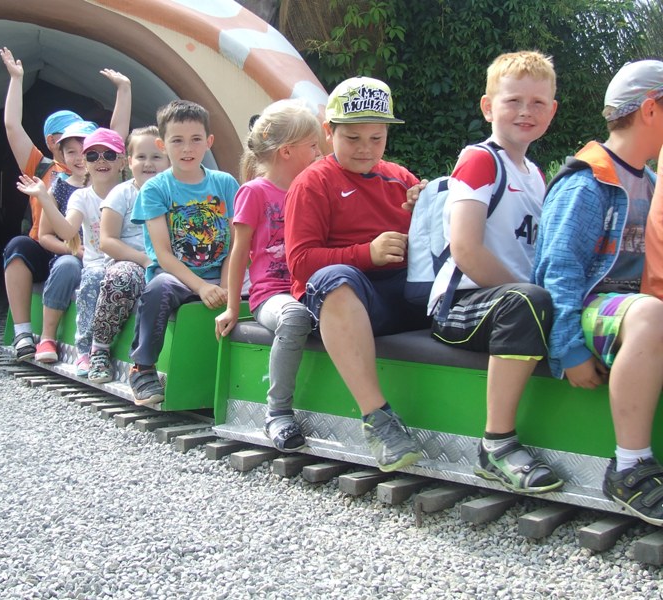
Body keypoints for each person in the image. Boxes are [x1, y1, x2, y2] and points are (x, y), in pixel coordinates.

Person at [534, 59, 663, 526]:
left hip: (634, 310)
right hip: (593, 310)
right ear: (650, 109)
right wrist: (568, 348)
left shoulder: (650, 182)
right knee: (650, 315)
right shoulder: (588, 181)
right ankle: (629, 467)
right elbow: (559, 271)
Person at [428, 51, 561, 493]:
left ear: (552, 112)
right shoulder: (480, 160)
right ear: (488, 107)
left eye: (538, 103)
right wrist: (531, 298)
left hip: (512, 302)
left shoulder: (536, 174)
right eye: (513, 101)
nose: (526, 111)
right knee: (530, 301)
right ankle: (497, 445)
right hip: (460, 305)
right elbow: (466, 250)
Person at [284, 76, 430, 472]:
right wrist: (369, 253)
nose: (365, 148)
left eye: (376, 138)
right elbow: (300, 264)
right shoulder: (312, 183)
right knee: (334, 279)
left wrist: (429, 207)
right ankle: (378, 419)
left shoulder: (401, 178)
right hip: (343, 301)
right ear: (328, 132)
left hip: (401, 295)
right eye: (352, 138)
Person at [0, 46, 131, 361]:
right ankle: (24, 333)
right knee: (18, 247)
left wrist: (124, 91)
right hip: (53, 246)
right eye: (71, 149)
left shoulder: (105, 172)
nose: (84, 157)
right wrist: (16, 80)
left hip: (93, 250)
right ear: (55, 146)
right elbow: (12, 127)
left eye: (89, 150)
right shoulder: (47, 170)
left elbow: (116, 136)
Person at [214, 100, 322, 451]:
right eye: (313, 146)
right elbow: (239, 253)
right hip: (272, 293)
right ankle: (277, 413)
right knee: (294, 317)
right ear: (287, 151)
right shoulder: (254, 192)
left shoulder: (313, 188)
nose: (319, 153)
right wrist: (233, 307)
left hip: (310, 286)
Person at [129, 100, 240, 405]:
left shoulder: (225, 184)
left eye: (195, 139)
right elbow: (163, 254)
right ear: (162, 144)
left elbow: (236, 244)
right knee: (159, 288)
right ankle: (142, 367)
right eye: (177, 140)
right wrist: (202, 286)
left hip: (224, 274)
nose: (187, 148)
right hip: (176, 276)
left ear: (209, 141)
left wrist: (226, 286)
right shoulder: (155, 189)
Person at [17, 128, 127, 367]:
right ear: (86, 164)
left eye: (109, 155)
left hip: (126, 263)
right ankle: (74, 346)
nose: (101, 161)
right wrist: (43, 198)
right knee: (79, 272)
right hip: (94, 262)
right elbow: (66, 232)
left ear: (122, 161)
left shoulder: (133, 193)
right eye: (92, 156)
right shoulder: (80, 196)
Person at [87, 126, 170, 383]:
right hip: (131, 261)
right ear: (129, 161)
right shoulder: (122, 193)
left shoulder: (174, 191)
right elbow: (107, 240)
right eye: (141, 157)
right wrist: (145, 260)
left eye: (156, 157)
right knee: (121, 279)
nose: (149, 163)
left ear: (168, 160)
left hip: (169, 261)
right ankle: (100, 349)